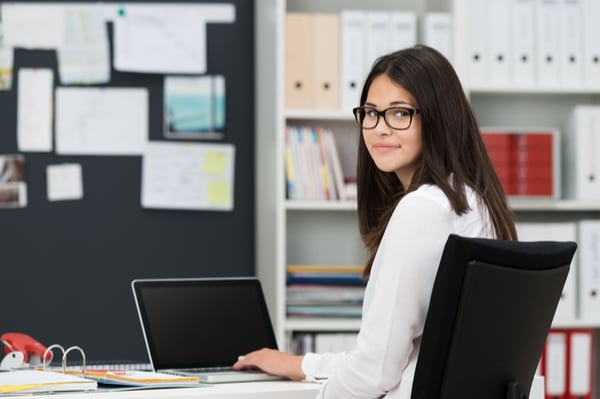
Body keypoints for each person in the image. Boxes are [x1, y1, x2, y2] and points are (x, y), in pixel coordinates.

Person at [233, 45, 517, 398]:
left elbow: (375, 372)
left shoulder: (422, 210)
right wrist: (302, 365)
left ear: (439, 118)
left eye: (400, 114)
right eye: (371, 113)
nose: (380, 129)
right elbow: (393, 358)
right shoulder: (475, 202)